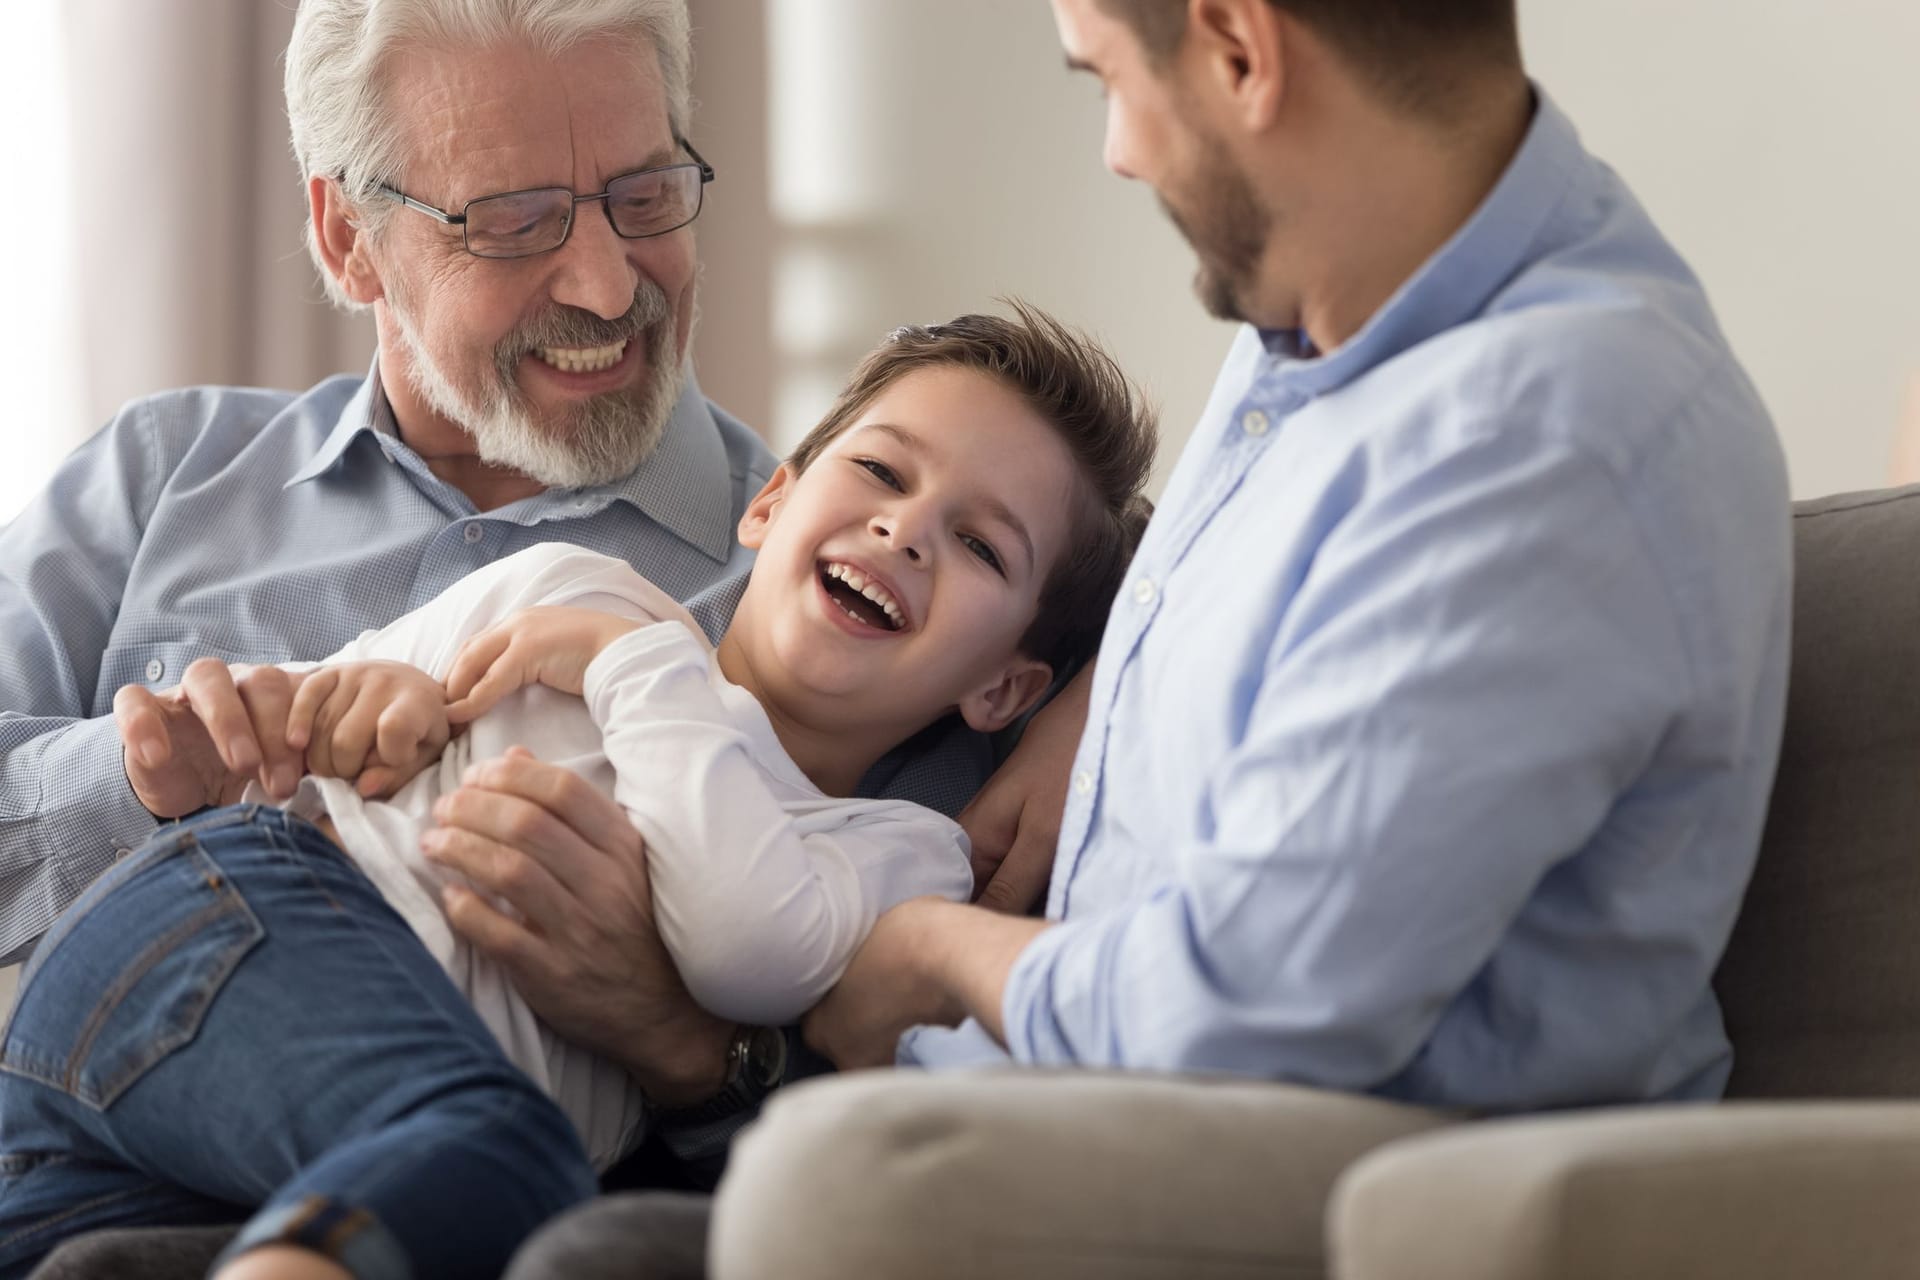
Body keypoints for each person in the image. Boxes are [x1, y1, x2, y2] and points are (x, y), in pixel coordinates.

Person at [504, 0, 1795, 1276]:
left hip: (1319, 1178)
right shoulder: (1326, 329)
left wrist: (930, 952)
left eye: (1107, 79)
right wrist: (1104, 700)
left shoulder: (1548, 438)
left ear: (1240, 49)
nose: (1118, 148)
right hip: (1048, 1126)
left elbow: (1235, 1018)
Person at [0, 0, 1075, 1188]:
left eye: (647, 195)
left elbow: (897, 1135)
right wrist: (142, 781)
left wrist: (684, 1041)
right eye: (515, 223)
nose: (611, 288)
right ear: (349, 235)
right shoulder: (163, 474)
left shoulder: (839, 620)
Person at [0, 308, 1157, 1280]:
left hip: (216, 1134)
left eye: (982, 546)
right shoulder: (570, 584)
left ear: (1006, 688)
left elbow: (743, 946)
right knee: (504, 1155)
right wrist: (341, 715)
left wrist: (638, 664)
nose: (905, 530)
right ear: (769, 504)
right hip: (224, 926)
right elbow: (314, 704)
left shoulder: (901, 850)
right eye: (882, 470)